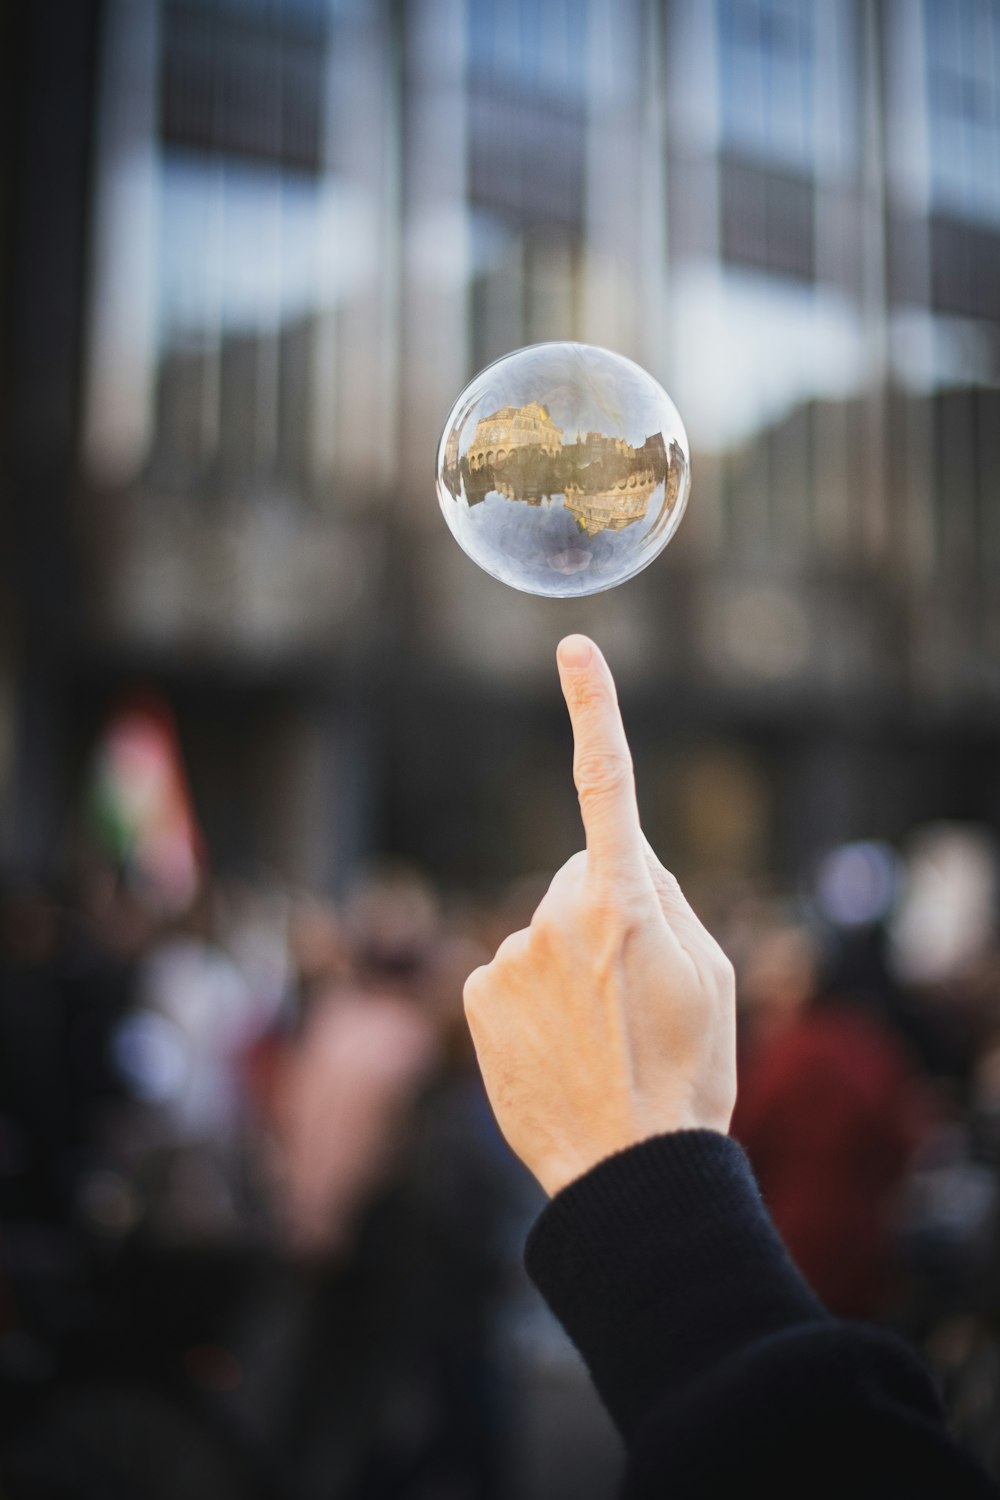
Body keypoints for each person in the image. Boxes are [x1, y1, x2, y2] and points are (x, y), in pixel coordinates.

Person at [462, 634, 998, 1498]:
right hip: (824, 1271)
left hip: (797, 1261)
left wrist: (633, 1165)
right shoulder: (863, 1053)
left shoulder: (811, 1056)